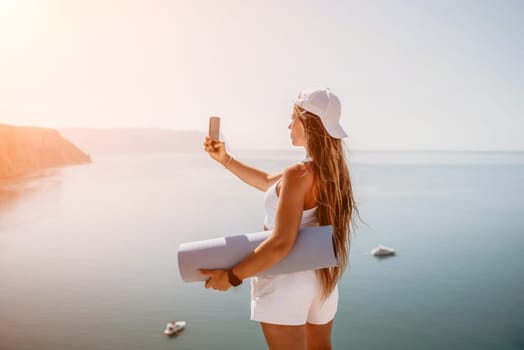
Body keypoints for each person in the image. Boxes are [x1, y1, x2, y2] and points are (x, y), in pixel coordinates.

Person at [199, 87, 359, 350]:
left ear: (309, 124)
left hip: (286, 284)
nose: (288, 125)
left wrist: (231, 277)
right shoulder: (333, 173)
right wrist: (225, 159)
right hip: (322, 283)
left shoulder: (299, 173)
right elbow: (265, 182)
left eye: (293, 118)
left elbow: (281, 243)